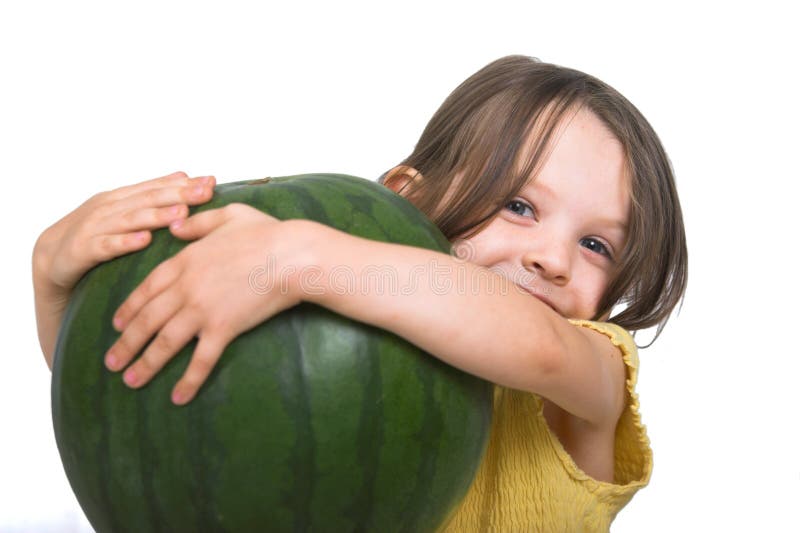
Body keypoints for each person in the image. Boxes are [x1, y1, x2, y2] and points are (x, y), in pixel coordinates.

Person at [32, 55, 688, 531]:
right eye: (519, 205)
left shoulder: (592, 371)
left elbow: (538, 348)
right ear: (406, 196)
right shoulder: (363, 335)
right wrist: (55, 281)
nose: (552, 258)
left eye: (598, 245)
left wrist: (302, 254)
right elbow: (148, 438)